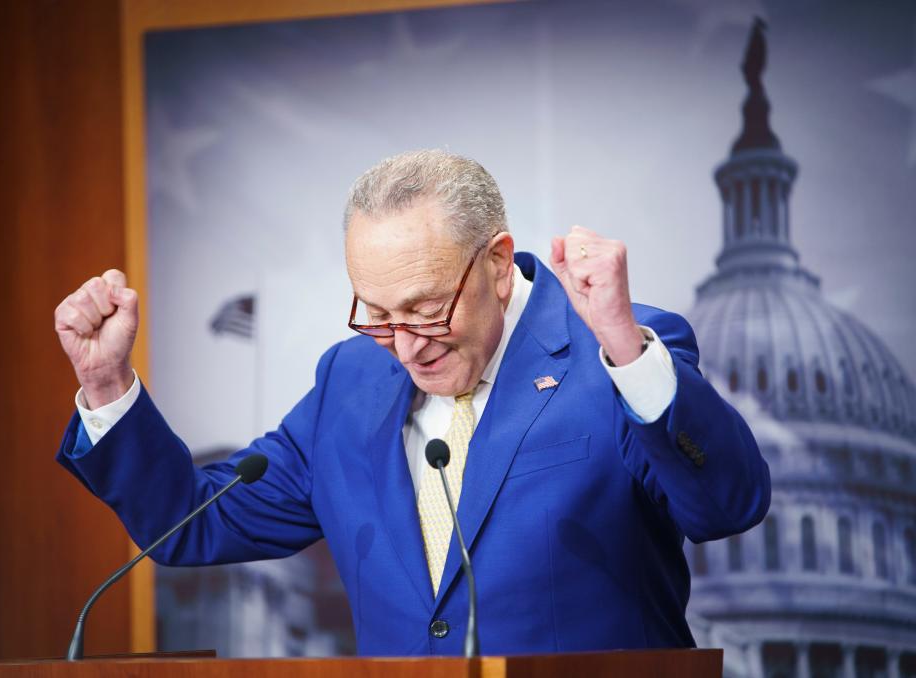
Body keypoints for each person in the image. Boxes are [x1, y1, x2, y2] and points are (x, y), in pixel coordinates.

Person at [54, 149, 770, 656]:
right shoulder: (349, 381)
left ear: (495, 263)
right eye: (376, 312)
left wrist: (622, 345)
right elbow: (188, 524)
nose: (403, 345)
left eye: (427, 310)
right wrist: (108, 385)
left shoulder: (616, 349)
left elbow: (726, 505)